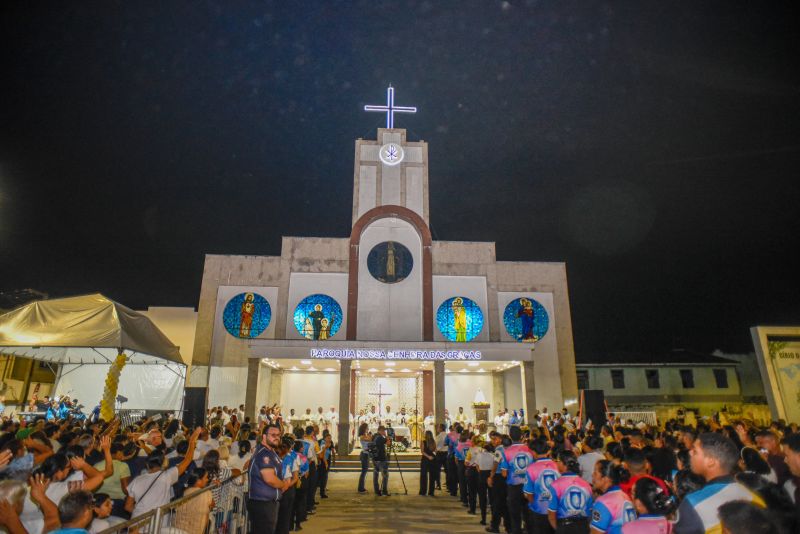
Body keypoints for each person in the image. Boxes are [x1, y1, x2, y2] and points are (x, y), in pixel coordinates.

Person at [673, 432, 765, 534]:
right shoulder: (754, 496)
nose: (690, 453)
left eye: (695, 451)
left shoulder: (694, 503)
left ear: (711, 461)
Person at [125, 428, 202, 519]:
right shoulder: (167, 476)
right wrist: (192, 441)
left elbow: (127, 506)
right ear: (163, 462)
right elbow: (187, 460)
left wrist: (141, 515)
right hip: (158, 522)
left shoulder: (137, 480)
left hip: (137, 522)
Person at [247, 423, 292, 534]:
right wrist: (283, 484)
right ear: (264, 436)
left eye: (278, 435)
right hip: (262, 504)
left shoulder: (271, 452)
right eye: (273, 435)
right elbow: (269, 478)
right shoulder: (264, 454)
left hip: (269, 504)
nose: (276, 437)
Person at [498, 426, 534, 534]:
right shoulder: (529, 450)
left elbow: (504, 473)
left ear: (510, 436)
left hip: (514, 487)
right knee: (528, 513)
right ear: (522, 436)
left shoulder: (507, 451)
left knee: (515, 515)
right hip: (528, 486)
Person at [547, 450, 593, 534]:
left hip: (564, 526)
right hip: (583, 527)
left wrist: (559, 530)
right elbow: (589, 512)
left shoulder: (555, 485)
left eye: (557, 461)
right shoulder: (586, 485)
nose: (556, 463)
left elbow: (551, 516)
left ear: (562, 463)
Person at [523, 437, 560, 534]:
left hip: (539, 510)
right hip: (556, 510)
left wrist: (534, 504)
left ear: (534, 452)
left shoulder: (531, 468)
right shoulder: (557, 465)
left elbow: (528, 493)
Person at [591, 460, 637, 534]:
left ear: (606, 479)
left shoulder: (604, 502)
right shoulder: (625, 496)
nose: (592, 475)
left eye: (595, 473)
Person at [173, 468, 214, 534]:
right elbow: (212, 505)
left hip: (177, 530)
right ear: (198, 480)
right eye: (206, 477)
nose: (207, 480)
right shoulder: (206, 493)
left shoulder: (183, 491)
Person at [372, 426, 390, 496]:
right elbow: (388, 443)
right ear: (381, 430)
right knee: (385, 475)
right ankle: (384, 491)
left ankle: (376, 491)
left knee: (376, 475)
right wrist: (386, 436)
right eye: (384, 431)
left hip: (375, 458)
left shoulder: (374, 436)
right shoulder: (380, 437)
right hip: (381, 458)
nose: (384, 432)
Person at [420, 430, 437, 496]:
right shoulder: (433, 442)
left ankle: (423, 491)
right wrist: (433, 456)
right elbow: (435, 451)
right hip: (432, 459)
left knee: (424, 476)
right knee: (432, 476)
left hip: (425, 460)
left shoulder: (423, 442)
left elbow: (422, 451)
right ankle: (431, 492)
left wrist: (428, 456)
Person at [357, 423, 371, 494]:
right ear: (364, 428)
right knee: (363, 472)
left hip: (367, 454)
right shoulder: (362, 436)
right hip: (364, 454)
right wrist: (370, 436)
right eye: (367, 428)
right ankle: (360, 488)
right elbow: (369, 440)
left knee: (365, 472)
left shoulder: (365, 435)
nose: (368, 429)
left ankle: (362, 487)